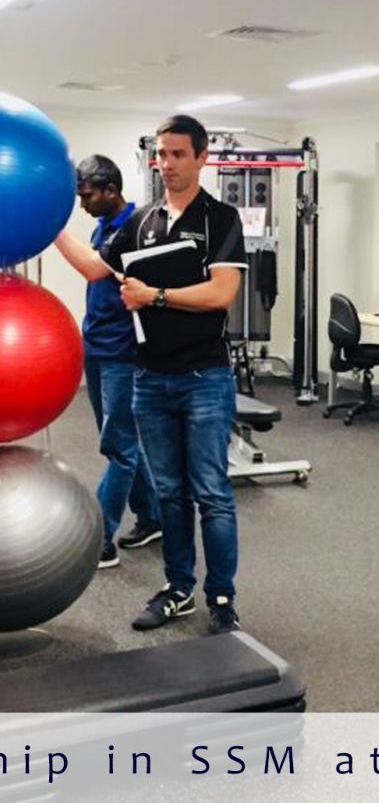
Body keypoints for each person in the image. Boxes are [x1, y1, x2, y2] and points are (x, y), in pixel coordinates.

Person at [55, 115, 245, 634]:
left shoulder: (221, 219)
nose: (167, 164)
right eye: (161, 154)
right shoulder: (141, 221)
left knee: (211, 493)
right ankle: (179, 589)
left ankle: (221, 598)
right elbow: (95, 267)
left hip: (204, 378)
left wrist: (153, 296)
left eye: (178, 154)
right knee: (169, 493)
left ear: (202, 157)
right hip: (150, 379)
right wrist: (50, 223)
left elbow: (221, 293)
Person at [55, 155, 161, 569]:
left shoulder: (136, 228)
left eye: (87, 196)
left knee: (119, 446)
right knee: (120, 439)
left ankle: (99, 538)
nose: (82, 204)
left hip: (123, 355)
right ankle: (153, 517)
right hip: (97, 348)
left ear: (111, 191)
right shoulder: (104, 225)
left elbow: (91, 269)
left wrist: (49, 223)